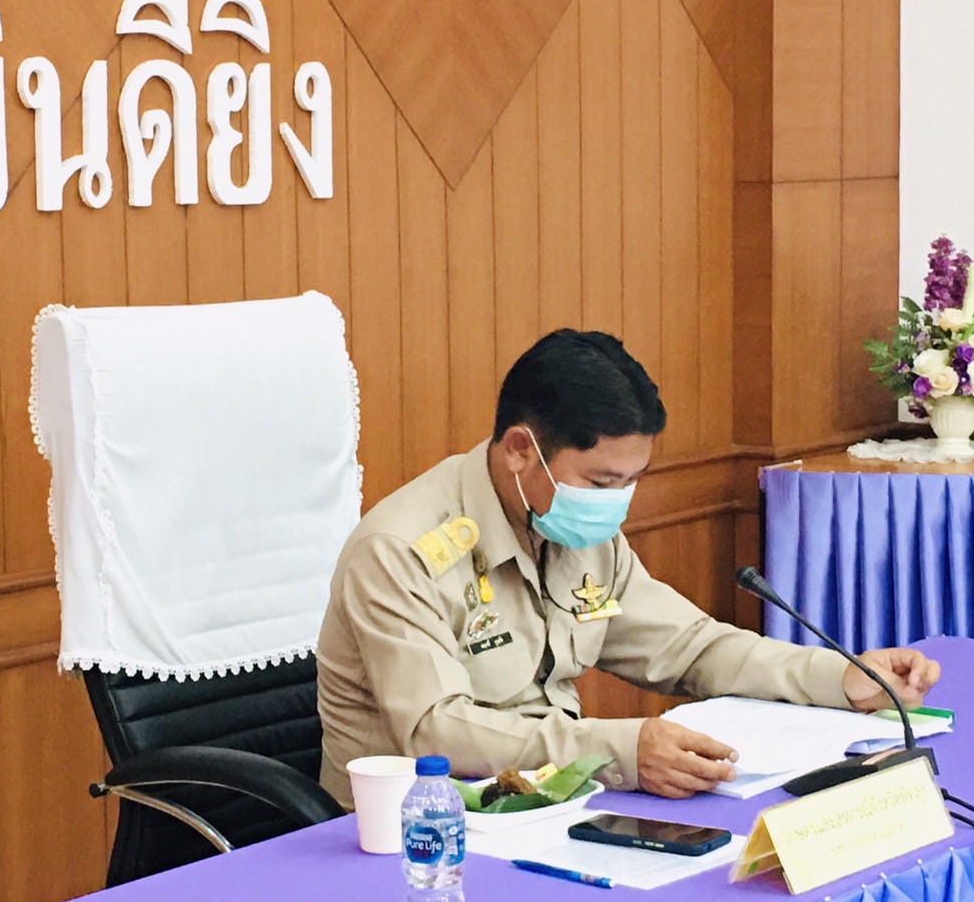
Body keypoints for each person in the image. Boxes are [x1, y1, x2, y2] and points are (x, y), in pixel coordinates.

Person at [317, 329, 940, 809]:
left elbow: (690, 648)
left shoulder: (572, 524)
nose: (615, 502)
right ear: (518, 450)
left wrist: (840, 678)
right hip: (422, 830)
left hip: (549, 800)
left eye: (630, 481)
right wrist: (618, 751)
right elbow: (435, 732)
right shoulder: (401, 551)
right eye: (601, 481)